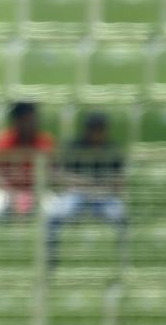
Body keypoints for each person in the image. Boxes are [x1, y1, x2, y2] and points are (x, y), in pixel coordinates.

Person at [46, 112, 127, 268]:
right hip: (76, 194)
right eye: (93, 129)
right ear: (87, 130)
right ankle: (51, 260)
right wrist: (82, 183)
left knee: (120, 216)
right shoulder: (74, 148)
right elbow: (59, 175)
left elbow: (119, 180)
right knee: (55, 216)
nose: (96, 133)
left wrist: (103, 186)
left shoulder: (112, 150)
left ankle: (122, 264)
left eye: (100, 129)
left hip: (104, 196)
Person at [0, 102, 55, 221]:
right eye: (26, 119)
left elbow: (50, 171)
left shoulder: (44, 140)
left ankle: (48, 240)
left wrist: (32, 193)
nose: (31, 124)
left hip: (37, 191)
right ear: (17, 121)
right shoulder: (2, 141)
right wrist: (13, 193)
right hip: (6, 191)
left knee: (53, 210)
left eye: (33, 119)